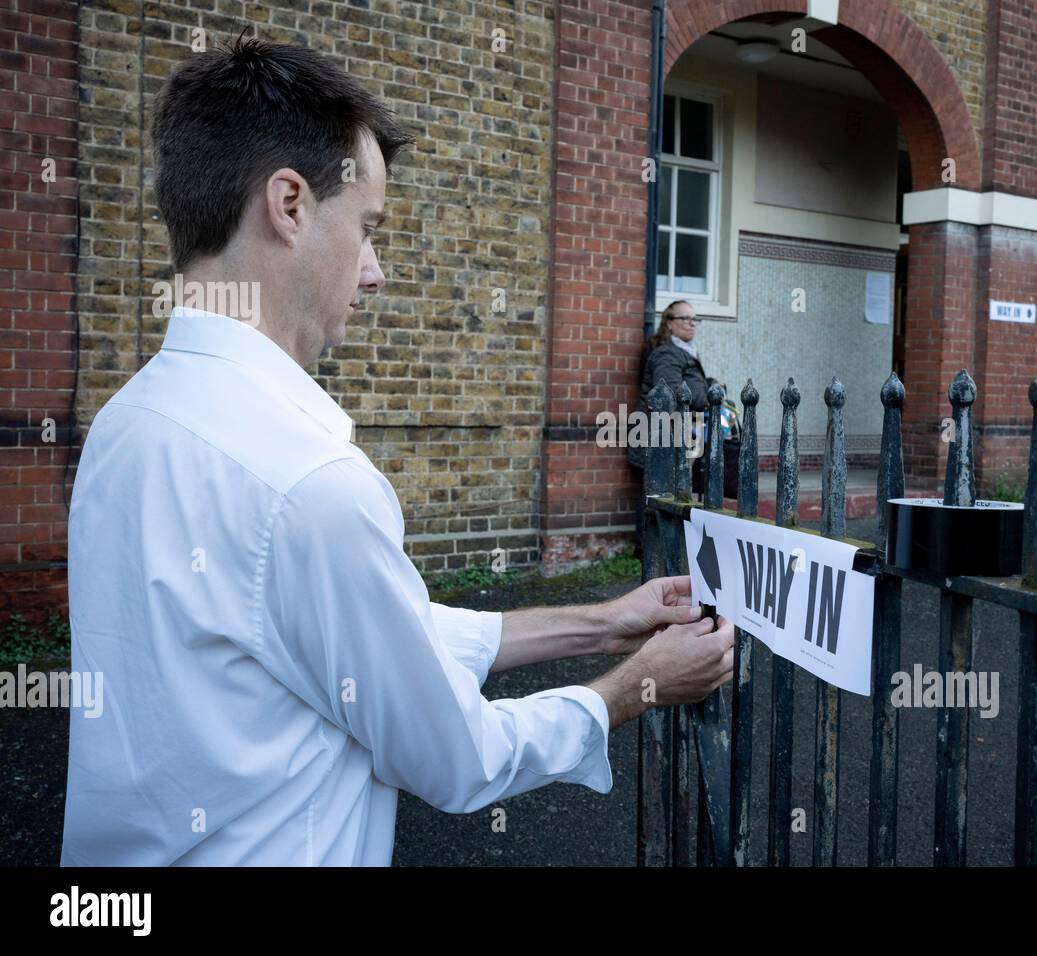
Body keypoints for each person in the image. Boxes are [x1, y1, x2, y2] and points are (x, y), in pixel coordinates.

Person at [61, 37, 734, 866]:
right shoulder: (309, 484)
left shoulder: (128, 422)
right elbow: (457, 757)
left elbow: (370, 638)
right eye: (368, 226)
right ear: (291, 204)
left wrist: (604, 621)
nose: (374, 271)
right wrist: (637, 684)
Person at [628, 301, 722, 554]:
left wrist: (710, 384)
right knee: (657, 492)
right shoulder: (667, 353)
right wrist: (708, 395)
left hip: (675, 433)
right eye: (685, 318)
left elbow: (687, 385)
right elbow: (671, 394)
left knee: (665, 490)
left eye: (695, 319)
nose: (692, 323)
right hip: (661, 434)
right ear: (669, 323)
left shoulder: (684, 351)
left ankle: (660, 549)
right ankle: (650, 551)